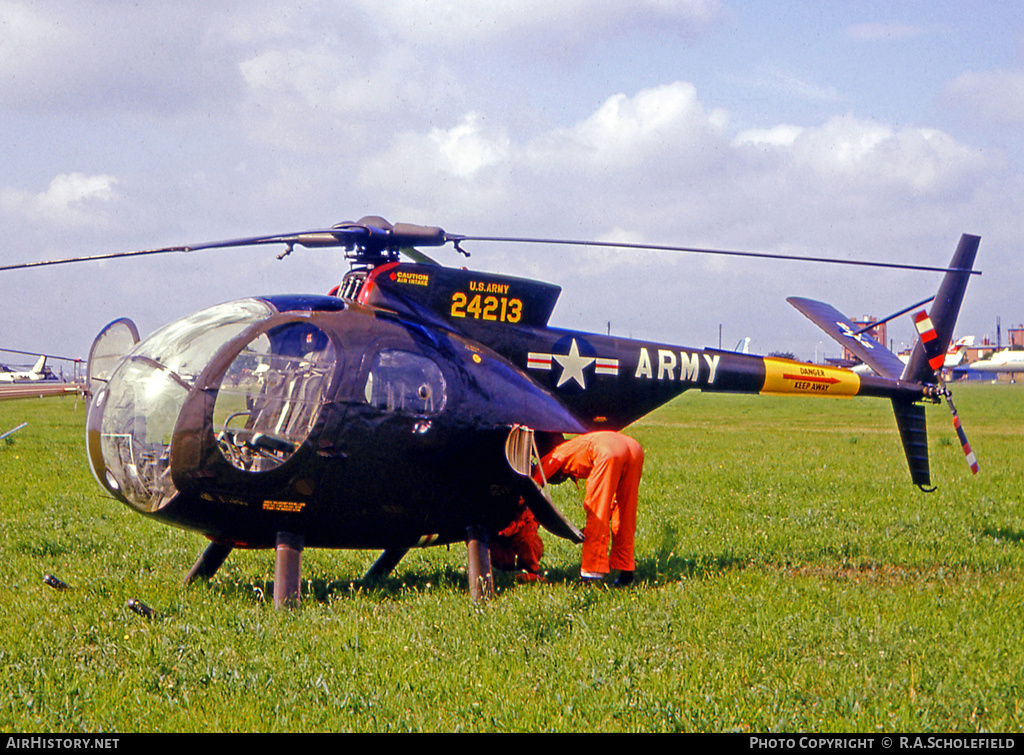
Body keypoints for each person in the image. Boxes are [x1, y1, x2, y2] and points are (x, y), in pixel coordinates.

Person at [537, 431, 643, 585]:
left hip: (606, 451)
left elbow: (532, 485)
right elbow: (611, 502)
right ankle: (626, 572)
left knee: (596, 511)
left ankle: (592, 574)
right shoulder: (575, 444)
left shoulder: (555, 453)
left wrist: (520, 503)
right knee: (625, 512)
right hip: (634, 448)